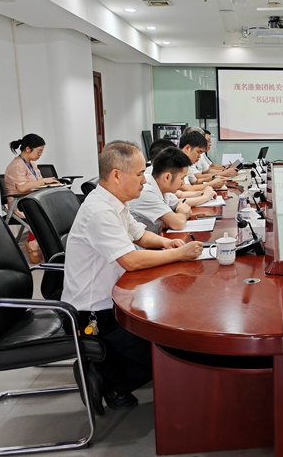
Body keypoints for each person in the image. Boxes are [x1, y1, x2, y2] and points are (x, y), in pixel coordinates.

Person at [62, 141, 203, 414]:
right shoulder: (100, 212)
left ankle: (110, 370)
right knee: (166, 354)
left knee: (168, 335)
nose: (144, 180)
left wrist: (165, 244)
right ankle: (105, 379)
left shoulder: (116, 203)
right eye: (139, 174)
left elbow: (139, 235)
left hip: (118, 296)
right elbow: (130, 260)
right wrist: (179, 254)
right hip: (94, 314)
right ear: (117, 175)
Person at [4, 133, 61, 262]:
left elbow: (37, 182)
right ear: (28, 149)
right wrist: (43, 182)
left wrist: (50, 184)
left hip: (32, 200)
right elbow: (22, 188)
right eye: (39, 151)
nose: (40, 154)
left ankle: (39, 243)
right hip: (20, 203)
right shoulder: (17, 165)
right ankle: (34, 243)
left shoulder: (32, 164)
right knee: (49, 212)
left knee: (58, 208)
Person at [129, 147, 193, 234]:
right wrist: (180, 212)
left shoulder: (163, 188)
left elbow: (187, 211)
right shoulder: (145, 191)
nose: (183, 183)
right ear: (167, 177)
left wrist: (175, 217)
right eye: (182, 178)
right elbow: (179, 223)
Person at [147, 139, 216, 207]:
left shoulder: (163, 185)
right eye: (198, 152)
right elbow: (186, 191)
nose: (183, 183)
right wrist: (205, 196)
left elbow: (178, 199)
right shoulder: (148, 190)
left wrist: (203, 193)